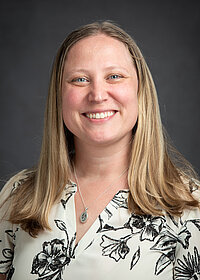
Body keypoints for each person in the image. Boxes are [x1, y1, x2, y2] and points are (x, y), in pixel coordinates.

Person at [0, 21, 199, 280]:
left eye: (114, 76)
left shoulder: (190, 207)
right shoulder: (18, 196)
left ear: (141, 91)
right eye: (80, 79)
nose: (97, 94)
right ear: (59, 96)